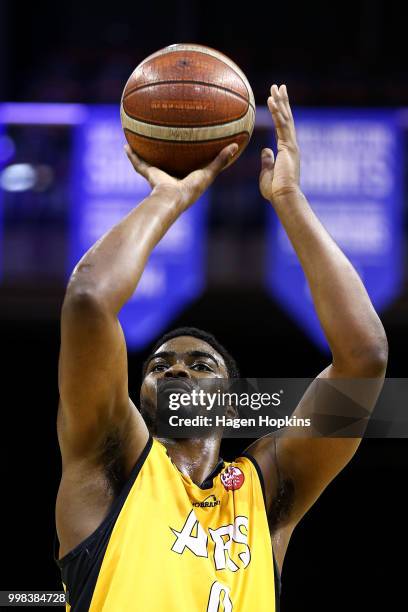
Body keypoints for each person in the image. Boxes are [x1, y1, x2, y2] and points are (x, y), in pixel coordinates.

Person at [55, 84, 388, 611]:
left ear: (231, 402)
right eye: (160, 365)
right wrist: (168, 198)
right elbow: (90, 299)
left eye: (200, 364)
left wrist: (290, 203)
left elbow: (365, 358)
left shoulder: (265, 493)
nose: (176, 372)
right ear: (139, 398)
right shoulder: (109, 465)